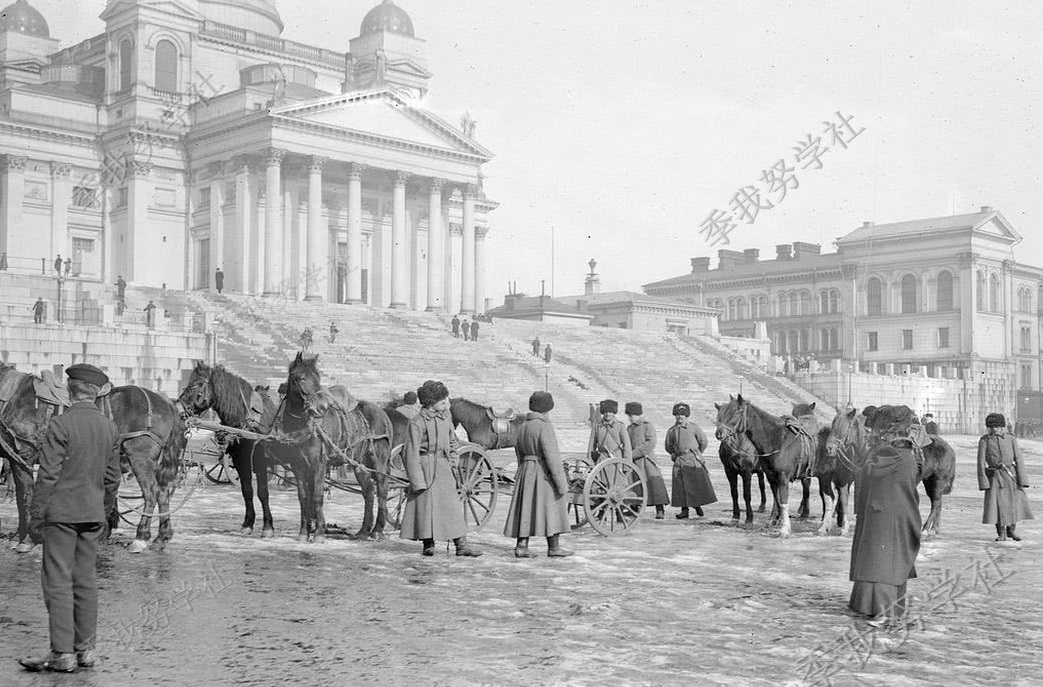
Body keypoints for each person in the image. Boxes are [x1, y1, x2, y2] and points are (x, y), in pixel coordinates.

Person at [19, 364, 120, 673]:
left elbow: (47, 477)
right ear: (95, 392)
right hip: (91, 516)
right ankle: (86, 651)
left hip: (61, 515)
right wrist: (102, 512)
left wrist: (35, 517)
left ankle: (62, 653)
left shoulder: (60, 425)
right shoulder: (110, 428)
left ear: (69, 389)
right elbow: (112, 478)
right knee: (86, 582)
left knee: (57, 583)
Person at [400, 380, 481, 557]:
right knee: (426, 508)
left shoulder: (446, 418)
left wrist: (453, 460)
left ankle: (461, 545)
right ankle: (428, 544)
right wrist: (417, 480)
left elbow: (453, 442)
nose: (446, 403)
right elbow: (411, 452)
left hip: (444, 469)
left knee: (452, 507)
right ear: (431, 402)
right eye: (442, 400)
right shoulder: (416, 423)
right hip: (426, 469)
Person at [849, 431, 922, 623]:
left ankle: (873, 607)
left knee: (877, 563)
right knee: (891, 562)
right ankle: (891, 608)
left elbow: (871, 471)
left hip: (882, 516)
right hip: (900, 513)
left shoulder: (889, 454)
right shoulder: (909, 455)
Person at [503, 391, 573, 558]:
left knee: (526, 508)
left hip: (526, 469)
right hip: (543, 471)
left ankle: (521, 546)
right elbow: (552, 456)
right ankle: (554, 547)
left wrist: (524, 468)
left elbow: (518, 450)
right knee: (553, 505)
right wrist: (561, 483)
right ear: (547, 408)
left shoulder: (523, 426)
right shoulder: (545, 426)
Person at [978, 413, 1033, 542]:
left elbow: (1019, 459)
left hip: (1011, 476)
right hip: (995, 477)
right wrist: (983, 482)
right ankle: (1001, 533)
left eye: (996, 426)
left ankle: (1011, 531)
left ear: (1002, 427)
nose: (993, 429)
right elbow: (980, 462)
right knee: (997, 506)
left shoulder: (1011, 439)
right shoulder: (984, 440)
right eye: (991, 427)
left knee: (1015, 504)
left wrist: (1023, 479)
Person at [665, 402, 716, 519]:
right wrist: (674, 454)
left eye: (682, 414)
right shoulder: (672, 430)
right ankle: (684, 510)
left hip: (692, 460)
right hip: (679, 461)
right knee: (681, 487)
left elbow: (703, 442)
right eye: (677, 414)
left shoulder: (694, 427)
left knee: (695, 485)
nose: (680, 417)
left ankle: (697, 506)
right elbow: (668, 446)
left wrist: (697, 453)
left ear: (686, 416)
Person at [626, 402, 669, 519]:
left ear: (639, 414)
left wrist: (634, 453)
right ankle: (635, 507)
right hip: (635, 462)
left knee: (654, 484)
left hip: (647, 460)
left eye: (632, 415)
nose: (630, 418)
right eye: (629, 415)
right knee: (636, 485)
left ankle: (660, 509)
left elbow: (651, 443)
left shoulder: (647, 425)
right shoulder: (629, 428)